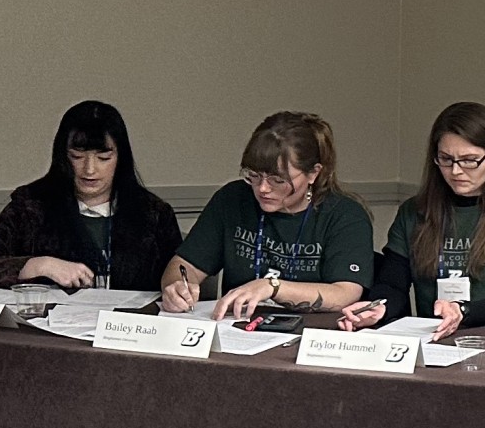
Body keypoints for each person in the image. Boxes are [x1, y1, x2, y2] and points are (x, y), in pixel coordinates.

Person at [337, 102, 485, 339]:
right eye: (446, 159)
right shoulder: (414, 212)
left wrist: (462, 311)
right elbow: (393, 285)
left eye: (470, 160)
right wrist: (379, 309)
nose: (456, 171)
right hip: (436, 337)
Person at [158, 111, 374, 319]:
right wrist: (177, 286)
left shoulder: (344, 215)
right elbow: (185, 264)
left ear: (313, 173)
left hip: (315, 336)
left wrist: (272, 287)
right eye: (254, 175)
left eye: (278, 180)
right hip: (239, 328)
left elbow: (345, 292)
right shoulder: (232, 199)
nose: (262, 188)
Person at [0, 101, 181, 291]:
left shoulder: (153, 214)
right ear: (63, 156)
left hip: (128, 334)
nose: (90, 169)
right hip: (49, 335)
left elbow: (179, 280)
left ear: (120, 159)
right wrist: (39, 265)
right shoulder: (31, 206)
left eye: (103, 157)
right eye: (77, 156)